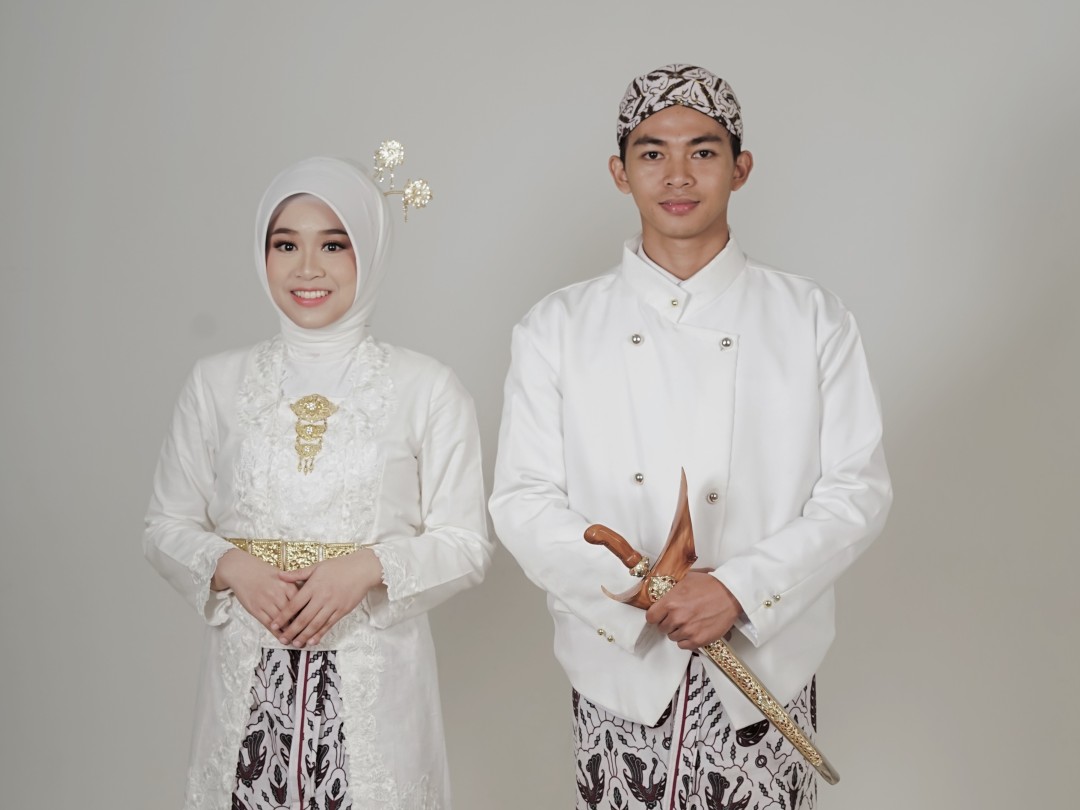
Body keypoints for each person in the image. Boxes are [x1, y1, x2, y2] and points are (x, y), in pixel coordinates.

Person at [489, 64, 892, 809]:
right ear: (620, 172)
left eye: (703, 151)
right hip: (618, 673)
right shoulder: (557, 327)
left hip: (766, 670)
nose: (678, 175)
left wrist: (738, 589)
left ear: (741, 168)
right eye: (652, 153)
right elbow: (523, 499)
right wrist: (642, 593)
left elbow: (856, 492)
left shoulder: (812, 318)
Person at [145, 154, 492, 810]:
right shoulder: (215, 382)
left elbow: (466, 544)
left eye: (334, 244)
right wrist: (232, 567)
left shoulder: (427, 387)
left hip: (374, 677)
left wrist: (366, 569)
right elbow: (165, 525)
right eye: (286, 245)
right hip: (246, 671)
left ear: (370, 252)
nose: (307, 268)